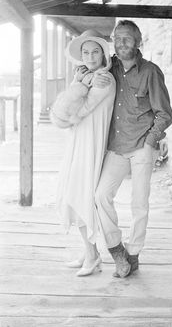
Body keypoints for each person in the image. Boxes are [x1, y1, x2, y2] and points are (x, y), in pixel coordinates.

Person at [95, 20, 172, 278]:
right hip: (116, 146)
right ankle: (116, 248)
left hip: (142, 146)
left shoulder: (151, 72)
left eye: (127, 38)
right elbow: (88, 70)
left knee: (139, 203)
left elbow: (164, 113)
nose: (122, 43)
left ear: (138, 41)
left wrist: (151, 142)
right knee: (100, 196)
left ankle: (134, 252)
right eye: (117, 38)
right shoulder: (111, 67)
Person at [51, 29, 116, 276]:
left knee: (80, 195)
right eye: (86, 52)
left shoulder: (103, 80)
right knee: (71, 192)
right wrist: (80, 83)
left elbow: (79, 111)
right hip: (78, 140)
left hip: (92, 141)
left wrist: (80, 85)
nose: (90, 56)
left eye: (95, 51)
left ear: (103, 53)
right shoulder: (87, 76)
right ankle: (89, 251)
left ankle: (93, 255)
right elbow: (68, 115)